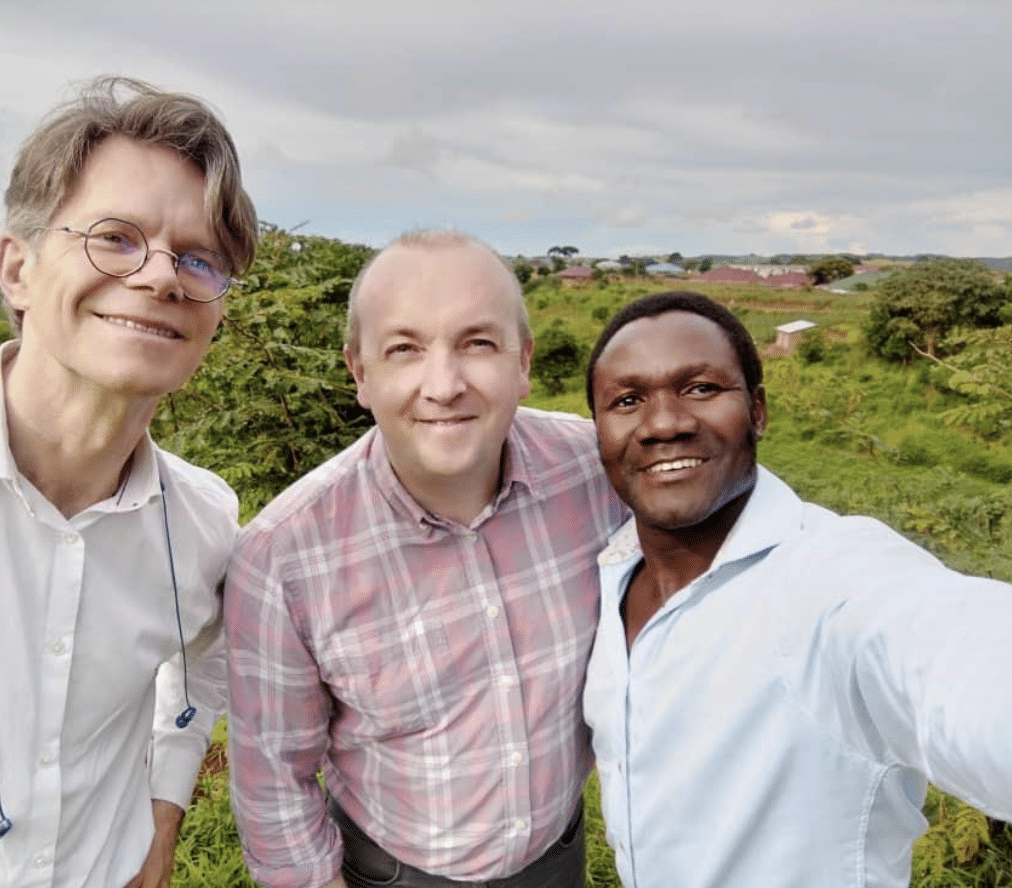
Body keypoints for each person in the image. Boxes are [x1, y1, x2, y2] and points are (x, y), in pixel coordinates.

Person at [0, 76, 259, 888]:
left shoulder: (202, 522)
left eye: (199, 259)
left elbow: (204, 667)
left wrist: (162, 813)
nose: (162, 276)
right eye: (115, 237)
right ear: (16, 268)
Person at [224, 229, 629, 888]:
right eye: (405, 349)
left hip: (558, 857)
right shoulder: (283, 558)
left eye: (478, 343)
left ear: (523, 361)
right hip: (395, 872)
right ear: (361, 372)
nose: (444, 385)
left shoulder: (598, 473)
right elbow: (274, 777)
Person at [582, 290, 1012, 888]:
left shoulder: (831, 576)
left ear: (758, 411)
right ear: (597, 433)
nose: (664, 424)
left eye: (702, 388)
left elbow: (949, 647)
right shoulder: (610, 570)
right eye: (627, 401)